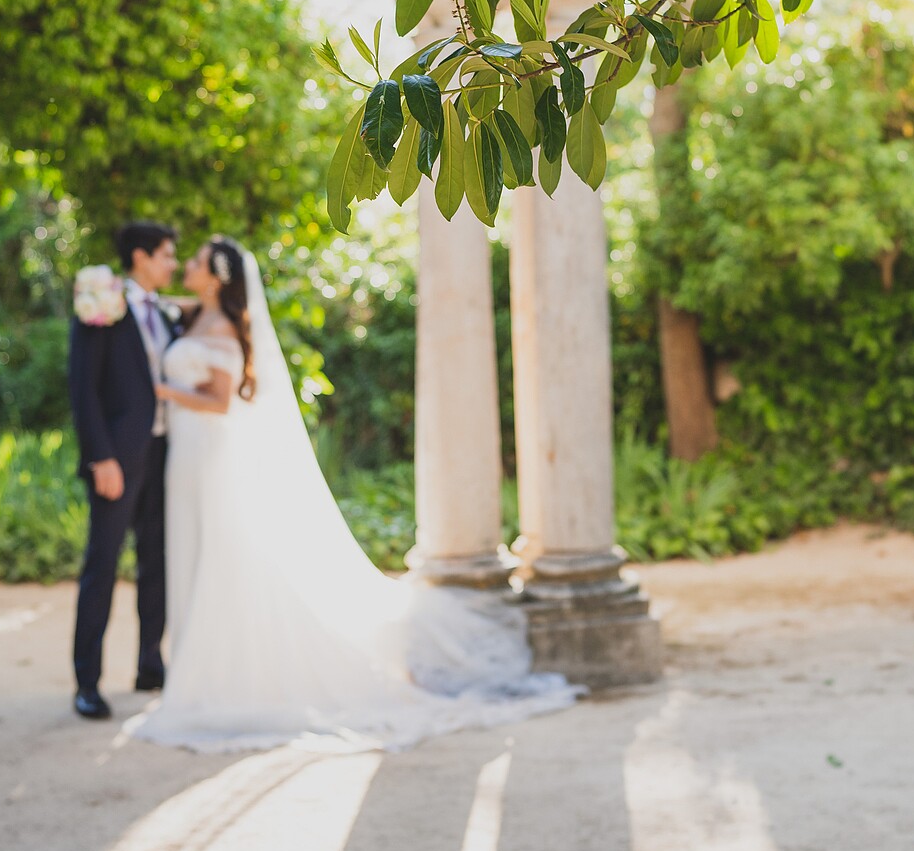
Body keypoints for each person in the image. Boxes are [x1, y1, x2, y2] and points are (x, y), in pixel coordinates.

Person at [125, 235, 579, 753]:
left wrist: (158, 391)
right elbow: (154, 311)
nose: (187, 264)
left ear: (218, 276)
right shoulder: (188, 317)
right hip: (184, 458)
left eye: (198, 261)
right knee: (189, 551)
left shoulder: (226, 326)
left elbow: (220, 400)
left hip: (210, 455)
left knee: (219, 556)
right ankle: (193, 667)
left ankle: (218, 676)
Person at [66, 221, 222, 720]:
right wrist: (100, 457)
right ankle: (87, 681)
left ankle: (149, 663)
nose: (173, 264)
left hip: (166, 454)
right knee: (103, 566)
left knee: (157, 561)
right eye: (166, 255)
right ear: (140, 257)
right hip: (117, 456)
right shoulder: (101, 300)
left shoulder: (168, 311)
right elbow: (82, 386)